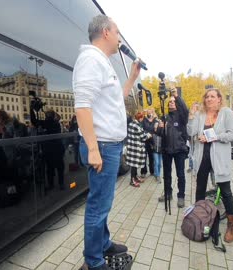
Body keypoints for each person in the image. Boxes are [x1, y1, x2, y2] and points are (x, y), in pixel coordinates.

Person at [72, 15, 140, 270]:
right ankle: (94, 262)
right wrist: (92, 149)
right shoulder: (91, 60)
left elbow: (113, 100)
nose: (120, 37)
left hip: (107, 145)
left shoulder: (102, 62)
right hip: (101, 145)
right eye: (118, 31)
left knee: (102, 202)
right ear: (106, 32)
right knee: (98, 206)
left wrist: (132, 78)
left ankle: (103, 244)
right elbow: (82, 107)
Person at [187, 87, 233, 242]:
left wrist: (213, 136)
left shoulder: (226, 113)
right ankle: (199, 219)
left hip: (219, 159)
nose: (209, 99)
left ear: (219, 99)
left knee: (226, 191)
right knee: (200, 189)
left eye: (212, 96)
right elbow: (191, 132)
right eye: (207, 96)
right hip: (202, 157)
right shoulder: (201, 114)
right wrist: (191, 116)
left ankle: (231, 225)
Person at [156, 88, 189, 208]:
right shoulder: (164, 117)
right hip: (166, 150)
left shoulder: (181, 116)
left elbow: (185, 109)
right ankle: (168, 193)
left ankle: (181, 196)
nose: (170, 102)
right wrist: (159, 128)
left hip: (179, 150)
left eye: (173, 101)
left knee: (180, 174)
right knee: (167, 174)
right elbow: (159, 133)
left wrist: (176, 96)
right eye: (169, 101)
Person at [126, 112, 151, 187]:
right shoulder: (137, 126)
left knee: (134, 164)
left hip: (131, 147)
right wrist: (149, 135)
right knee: (134, 164)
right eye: (142, 118)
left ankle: (135, 177)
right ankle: (132, 180)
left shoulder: (130, 124)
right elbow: (143, 137)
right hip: (136, 148)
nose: (142, 119)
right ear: (140, 118)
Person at [141, 108, 156, 177]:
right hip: (144, 140)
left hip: (152, 141)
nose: (150, 114)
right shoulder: (144, 120)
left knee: (151, 157)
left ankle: (152, 171)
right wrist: (147, 134)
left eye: (151, 112)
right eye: (148, 112)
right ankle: (143, 172)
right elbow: (142, 128)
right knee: (143, 157)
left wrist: (152, 134)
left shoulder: (155, 120)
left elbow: (155, 130)